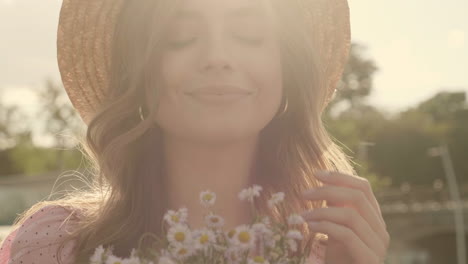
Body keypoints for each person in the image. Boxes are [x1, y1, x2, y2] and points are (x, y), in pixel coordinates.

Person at [0, 0, 390, 263]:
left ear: (287, 70)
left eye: (250, 35)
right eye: (180, 37)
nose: (217, 57)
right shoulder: (57, 245)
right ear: (137, 71)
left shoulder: (331, 252)